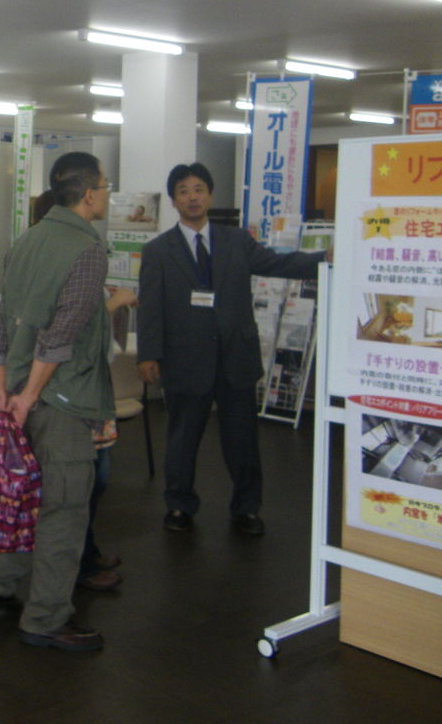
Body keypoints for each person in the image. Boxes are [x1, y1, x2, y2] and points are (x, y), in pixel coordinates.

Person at [138, 163, 324, 536]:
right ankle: (179, 505)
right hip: (184, 357)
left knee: (242, 440)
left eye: (199, 189)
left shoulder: (237, 240)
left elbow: (278, 263)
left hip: (235, 356)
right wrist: (148, 353)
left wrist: (326, 259)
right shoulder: (158, 250)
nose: (193, 197)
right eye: (184, 191)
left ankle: (246, 508)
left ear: (210, 195)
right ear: (174, 201)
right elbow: (150, 306)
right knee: (182, 438)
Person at [0, 152, 114, 652]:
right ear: (89, 194)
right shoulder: (88, 250)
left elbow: (3, 317)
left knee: (15, 493)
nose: (107, 192)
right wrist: (32, 394)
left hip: (13, 388)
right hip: (59, 397)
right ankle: (46, 618)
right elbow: (61, 335)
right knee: (64, 507)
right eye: (104, 185)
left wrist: (2, 385)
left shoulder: (26, 241)